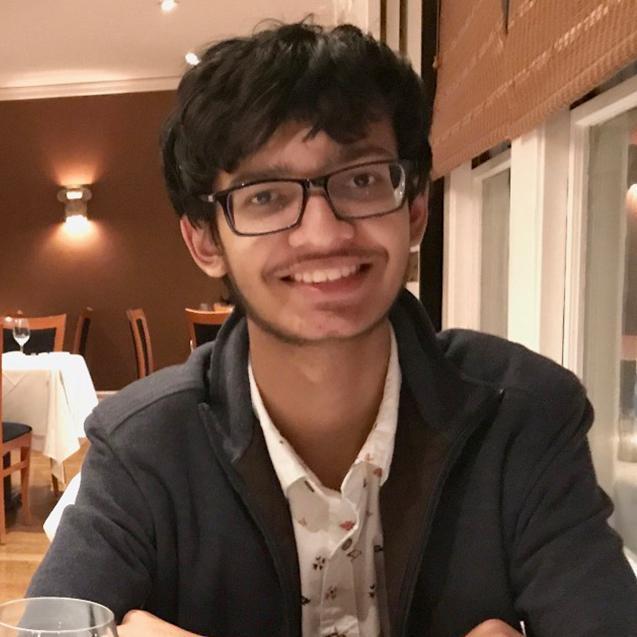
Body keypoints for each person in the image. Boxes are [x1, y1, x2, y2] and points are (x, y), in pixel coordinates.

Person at [27, 20, 637, 637]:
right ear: (205, 240)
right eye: (265, 196)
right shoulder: (143, 446)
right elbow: (48, 627)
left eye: (363, 180)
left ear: (416, 209)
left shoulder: (525, 414)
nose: (323, 234)